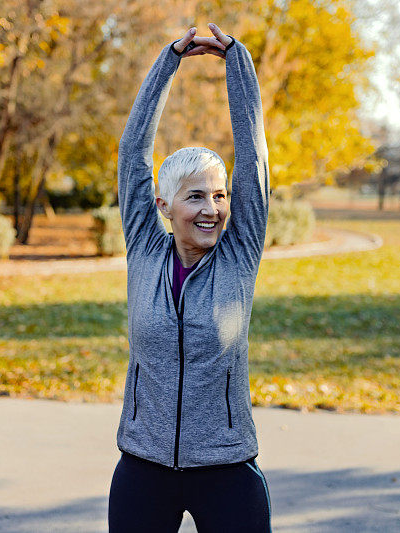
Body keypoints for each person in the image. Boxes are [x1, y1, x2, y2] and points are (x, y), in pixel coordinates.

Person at [107, 23, 272, 533]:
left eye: (219, 195)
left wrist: (236, 63)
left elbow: (255, 159)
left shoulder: (238, 255)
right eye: (196, 196)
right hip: (143, 465)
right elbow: (132, 153)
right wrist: (169, 61)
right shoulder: (144, 250)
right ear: (164, 205)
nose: (212, 209)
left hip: (225, 467)